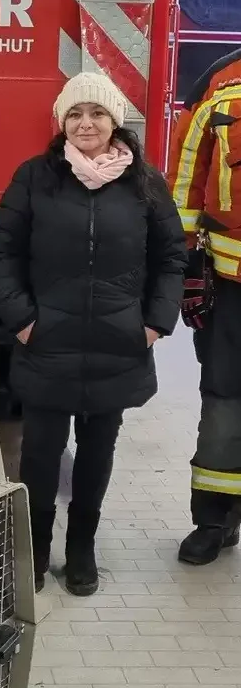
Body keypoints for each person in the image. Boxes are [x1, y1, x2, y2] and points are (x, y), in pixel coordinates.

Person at [0, 72, 187, 596]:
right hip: (47, 342)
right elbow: (2, 253)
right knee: (39, 459)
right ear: (62, 123)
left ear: (114, 120)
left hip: (117, 346)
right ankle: (31, 555)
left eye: (96, 113)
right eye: (75, 114)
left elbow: (171, 257)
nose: (85, 123)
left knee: (97, 457)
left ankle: (81, 551)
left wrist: (153, 323)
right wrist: (22, 319)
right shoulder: (35, 177)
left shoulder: (145, 183)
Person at [167, 47, 241, 565]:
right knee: (224, 402)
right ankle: (214, 520)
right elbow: (187, 176)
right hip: (231, 285)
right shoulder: (221, 81)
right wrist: (185, 266)